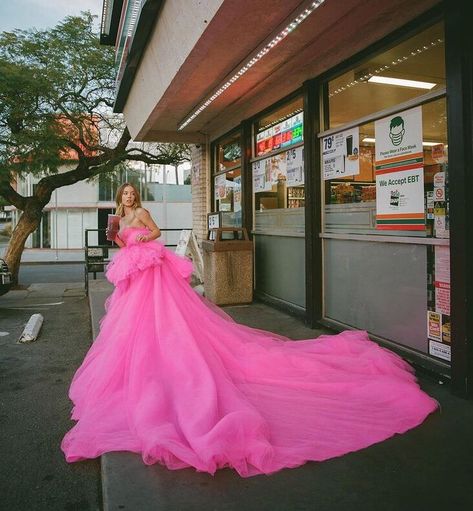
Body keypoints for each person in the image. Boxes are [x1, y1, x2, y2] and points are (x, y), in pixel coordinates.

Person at [61, 182, 437, 478]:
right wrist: (119, 236)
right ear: (120, 197)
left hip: (151, 275)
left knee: (165, 320)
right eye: (124, 194)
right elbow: (120, 240)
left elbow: (156, 233)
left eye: (131, 193)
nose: (128, 197)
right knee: (130, 327)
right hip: (132, 274)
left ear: (136, 196)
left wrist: (143, 237)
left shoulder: (141, 213)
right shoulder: (118, 218)